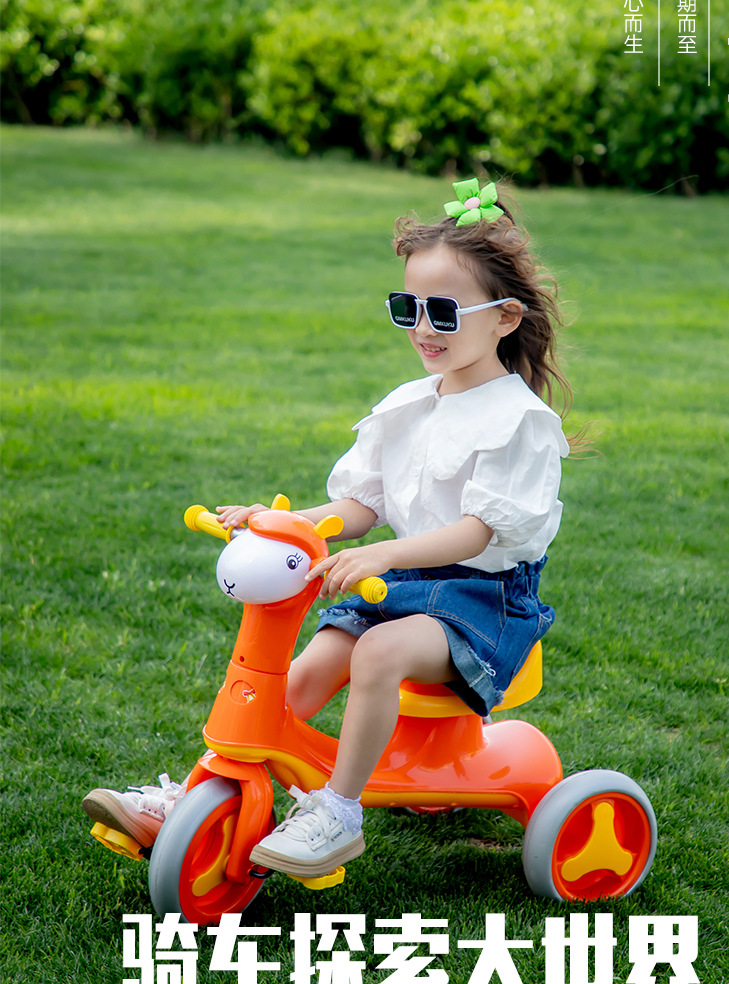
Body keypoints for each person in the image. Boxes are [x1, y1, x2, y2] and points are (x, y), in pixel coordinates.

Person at [82, 178, 579, 878]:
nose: (423, 328)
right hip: (401, 584)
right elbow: (363, 504)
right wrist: (288, 521)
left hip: (482, 601)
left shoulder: (518, 422)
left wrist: (383, 554)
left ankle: (338, 812)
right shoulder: (408, 405)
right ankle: (199, 790)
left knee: (377, 654)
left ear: (504, 318)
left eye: (442, 311)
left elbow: (475, 534)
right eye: (408, 308)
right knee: (306, 670)